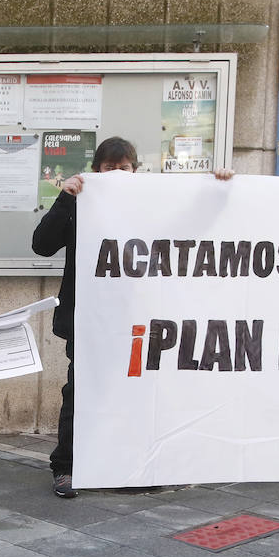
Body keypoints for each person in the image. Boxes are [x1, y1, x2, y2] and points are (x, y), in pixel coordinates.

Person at [32, 139, 234, 498]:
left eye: (124, 167)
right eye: (110, 168)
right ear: (96, 171)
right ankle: (66, 468)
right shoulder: (80, 203)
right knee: (79, 393)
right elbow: (42, 244)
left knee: (136, 395)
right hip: (89, 321)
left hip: (138, 320)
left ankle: (128, 467)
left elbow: (193, 228)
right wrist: (66, 198)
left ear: (136, 171)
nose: (118, 174)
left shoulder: (150, 206)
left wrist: (217, 190)